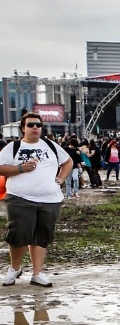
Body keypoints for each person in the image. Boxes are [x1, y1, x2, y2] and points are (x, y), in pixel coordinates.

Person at [0, 112, 73, 288]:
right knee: (19, 235)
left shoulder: (50, 145)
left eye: (38, 125)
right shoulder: (13, 147)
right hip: (20, 198)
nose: (35, 128)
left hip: (50, 200)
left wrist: (61, 178)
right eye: (31, 125)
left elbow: (68, 161)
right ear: (23, 128)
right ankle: (14, 268)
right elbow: (1, 168)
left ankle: (37, 273)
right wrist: (20, 168)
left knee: (41, 236)